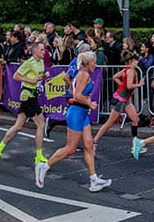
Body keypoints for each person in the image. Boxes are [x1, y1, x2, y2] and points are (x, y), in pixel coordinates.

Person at [36, 51, 110, 192]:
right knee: (70, 148)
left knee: (89, 145)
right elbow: (77, 96)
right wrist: (89, 103)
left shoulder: (83, 74)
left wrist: (87, 104)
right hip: (76, 112)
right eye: (94, 62)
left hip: (82, 113)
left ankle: (93, 180)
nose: (96, 64)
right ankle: (44, 166)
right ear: (87, 64)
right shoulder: (84, 74)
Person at [0, 41, 49, 170]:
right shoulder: (29, 62)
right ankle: (39, 155)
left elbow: (37, 78)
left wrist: (44, 77)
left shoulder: (41, 62)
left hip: (33, 95)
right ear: (34, 51)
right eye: (41, 49)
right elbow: (16, 76)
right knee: (41, 124)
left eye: (43, 49)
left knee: (18, 126)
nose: (43, 51)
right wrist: (30, 81)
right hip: (28, 95)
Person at [93, 47, 141, 146]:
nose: (137, 62)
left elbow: (115, 77)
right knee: (109, 123)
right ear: (132, 61)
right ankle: (94, 141)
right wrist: (139, 85)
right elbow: (129, 86)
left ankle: (135, 144)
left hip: (124, 98)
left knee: (135, 119)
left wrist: (121, 86)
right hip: (121, 100)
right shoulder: (130, 71)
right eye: (136, 60)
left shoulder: (125, 70)